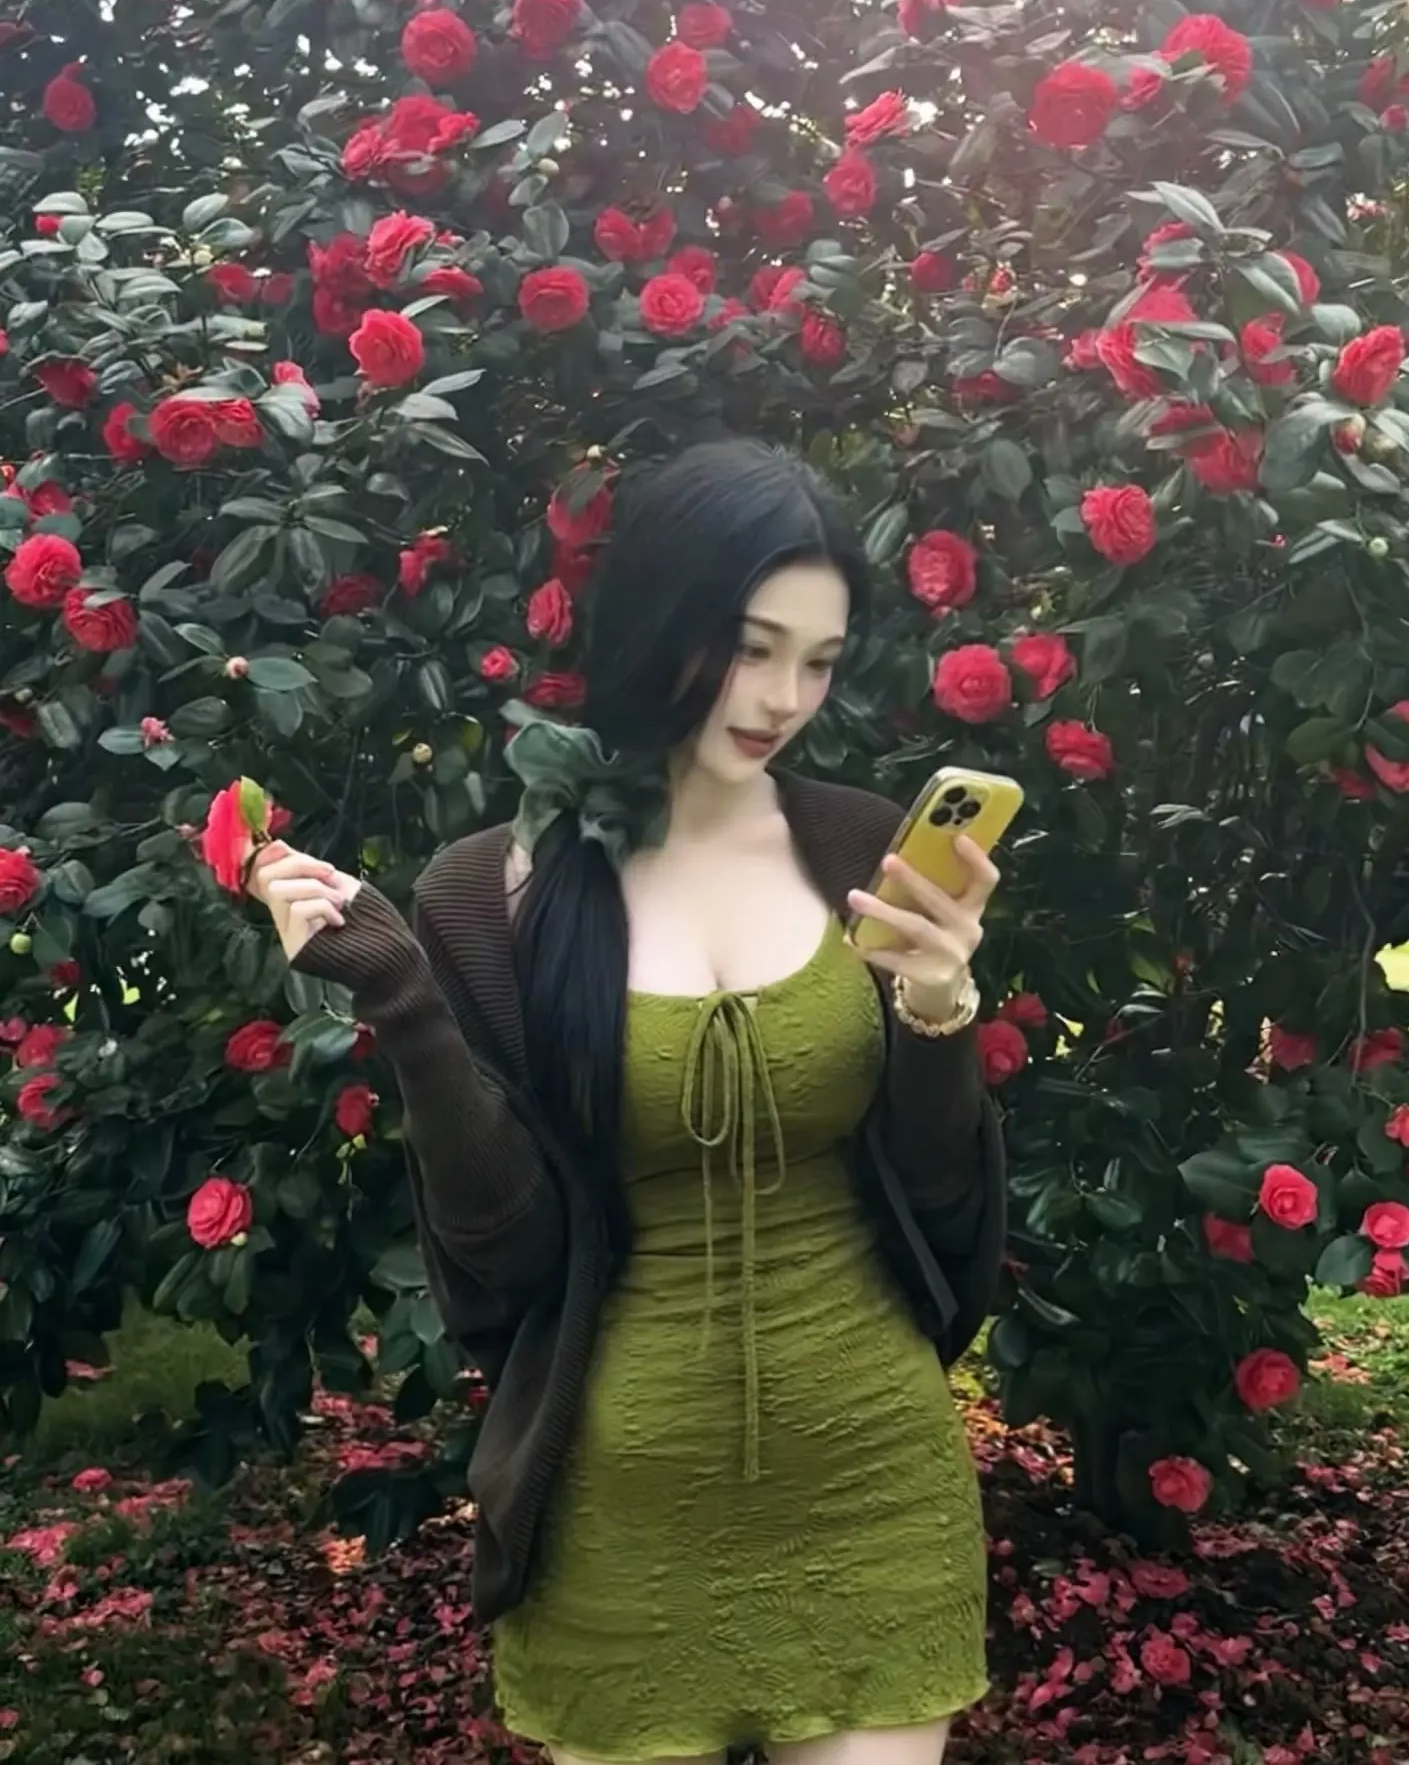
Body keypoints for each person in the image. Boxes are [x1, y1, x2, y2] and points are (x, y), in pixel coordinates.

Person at [248, 439, 1007, 1765]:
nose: (782, 698)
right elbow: (503, 1259)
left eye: (819, 662)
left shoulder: (858, 849)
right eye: (751, 648)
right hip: (619, 1511)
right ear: (660, 615)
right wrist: (407, 1002)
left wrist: (938, 1011)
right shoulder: (493, 895)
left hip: (871, 1481)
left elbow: (943, 1199)